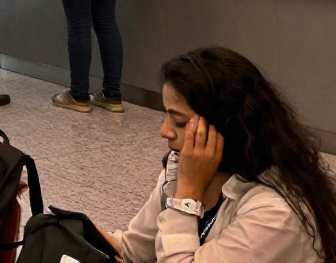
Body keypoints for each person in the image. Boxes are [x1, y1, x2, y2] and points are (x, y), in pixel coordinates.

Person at [105, 47, 336, 263]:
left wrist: (186, 197)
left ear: (224, 126)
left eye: (178, 121)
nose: (164, 131)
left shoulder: (275, 213)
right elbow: (132, 250)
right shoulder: (183, 169)